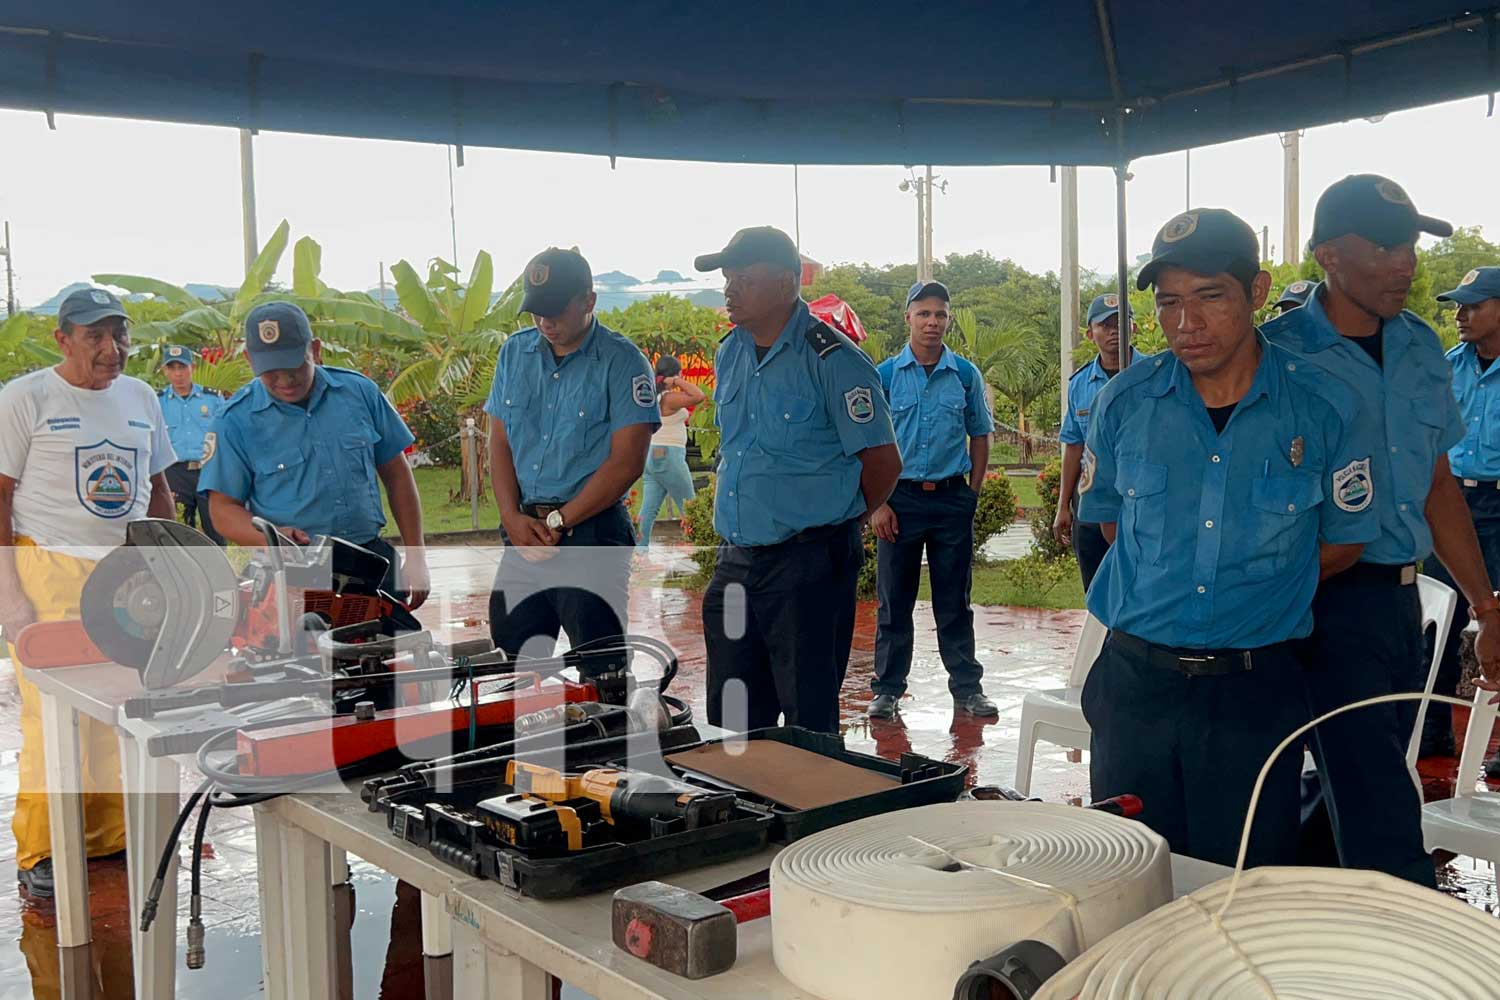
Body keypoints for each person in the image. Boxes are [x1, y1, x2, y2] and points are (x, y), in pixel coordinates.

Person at [1079, 209, 1378, 867]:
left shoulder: (1325, 407)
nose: (1187, 323)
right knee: (1128, 878)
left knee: (1241, 888)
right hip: (1136, 689)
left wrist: (1254, 589)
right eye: (1169, 303)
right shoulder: (1125, 402)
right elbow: (1109, 522)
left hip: (1255, 694)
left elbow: (1345, 540)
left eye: (1210, 297)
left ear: (1258, 290)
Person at [1263, 174, 1500, 887]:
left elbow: (1436, 484)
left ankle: (1315, 912)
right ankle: (1410, 927)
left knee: (1354, 773)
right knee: (1378, 803)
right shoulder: (1276, 356)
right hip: (1319, 599)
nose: (1407, 264)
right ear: (1330, 253)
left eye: (1411, 247)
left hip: (1401, 604)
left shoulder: (1423, 348)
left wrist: (1486, 607)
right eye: (1388, 246)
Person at [0, 287, 179, 898]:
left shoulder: (141, 397)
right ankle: (43, 850)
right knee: (52, 716)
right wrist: (10, 599)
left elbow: (159, 490)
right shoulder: (26, 398)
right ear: (64, 340)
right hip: (48, 568)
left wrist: (172, 566)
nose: (112, 349)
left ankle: (113, 837)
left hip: (127, 576)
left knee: (123, 706)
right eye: (95, 337)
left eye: (119, 335)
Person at [696, 227, 900, 733]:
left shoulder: (833, 360)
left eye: (744, 277)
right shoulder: (731, 352)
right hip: (736, 560)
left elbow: (883, 462)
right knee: (734, 714)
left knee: (808, 716)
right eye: (727, 278)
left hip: (806, 563)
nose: (729, 290)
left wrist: (835, 523)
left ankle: (816, 812)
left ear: (788, 282)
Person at [484, 248, 657, 674]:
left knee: (602, 670)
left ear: (589, 301)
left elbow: (627, 461)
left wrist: (560, 521)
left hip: (590, 533)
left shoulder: (622, 361)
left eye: (555, 311)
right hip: (524, 531)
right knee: (514, 660)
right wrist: (510, 516)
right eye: (536, 312)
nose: (545, 322)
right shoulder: (514, 354)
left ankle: (608, 740)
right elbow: (500, 440)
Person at [199, 302, 429, 607]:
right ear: (249, 360)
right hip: (292, 574)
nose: (284, 381)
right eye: (270, 372)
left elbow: (397, 474)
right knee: (300, 654)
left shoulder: (360, 393)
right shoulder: (234, 421)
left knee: (392, 650)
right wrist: (273, 538)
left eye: (295, 367)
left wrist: (416, 555)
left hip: (371, 562)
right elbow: (222, 511)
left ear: (315, 350)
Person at [867, 279, 997, 720]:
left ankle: (967, 689)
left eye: (940, 314)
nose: (932, 322)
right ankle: (886, 689)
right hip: (897, 501)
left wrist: (971, 493)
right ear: (908, 318)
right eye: (923, 313)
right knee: (894, 599)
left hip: (949, 501)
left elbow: (980, 434)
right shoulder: (884, 376)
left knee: (954, 601)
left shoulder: (964, 374)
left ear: (949, 320)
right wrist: (876, 504)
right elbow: (868, 443)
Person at [1417, 266, 1500, 763]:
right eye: (1459, 305)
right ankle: (1430, 734)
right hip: (1454, 506)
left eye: (1475, 304)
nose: (1461, 315)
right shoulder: (1450, 367)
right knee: (1438, 623)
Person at [1054, 293, 1134, 590]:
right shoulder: (1080, 384)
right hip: (1091, 502)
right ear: (1091, 333)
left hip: (1140, 502)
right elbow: (1074, 446)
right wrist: (1063, 506)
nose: (1114, 331)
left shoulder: (1156, 376)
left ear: (1133, 328)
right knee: (1096, 590)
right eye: (1105, 325)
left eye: (1121, 323)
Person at [635, 355, 705, 554]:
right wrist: (675, 381)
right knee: (690, 506)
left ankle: (639, 551)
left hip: (652, 455)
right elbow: (698, 395)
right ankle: (703, 548)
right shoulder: (668, 398)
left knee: (648, 509)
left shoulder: (653, 396)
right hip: (668, 455)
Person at [157, 344, 225, 544]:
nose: (178, 374)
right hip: (175, 473)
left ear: (192, 368)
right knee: (180, 530)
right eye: (172, 368)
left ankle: (220, 571)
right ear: (165, 370)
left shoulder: (213, 399)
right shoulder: (158, 401)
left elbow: (225, 432)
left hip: (208, 471)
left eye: (183, 367)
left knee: (215, 527)